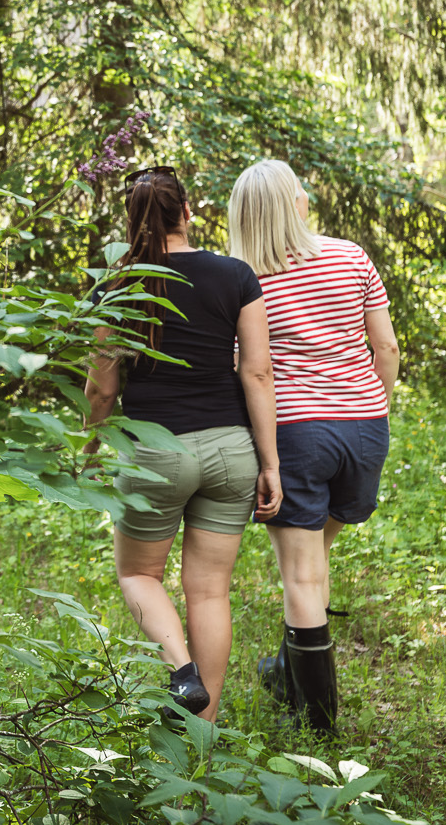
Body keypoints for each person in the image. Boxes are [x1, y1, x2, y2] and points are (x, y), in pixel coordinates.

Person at [85, 168, 283, 723]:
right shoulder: (235, 276)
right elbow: (258, 373)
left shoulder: (116, 286)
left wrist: (88, 450)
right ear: (188, 211)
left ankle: (180, 671)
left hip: (155, 451)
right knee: (211, 592)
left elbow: (102, 387)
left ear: (133, 220)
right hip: (230, 451)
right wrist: (270, 463)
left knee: (137, 575)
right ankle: (203, 734)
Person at [226, 159, 400, 734]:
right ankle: (285, 670)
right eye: (299, 188)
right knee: (316, 556)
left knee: (300, 574)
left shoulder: (241, 277)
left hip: (296, 433)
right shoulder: (351, 255)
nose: (307, 193)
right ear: (290, 202)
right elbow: (387, 349)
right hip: (365, 425)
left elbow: (247, 369)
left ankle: (318, 725)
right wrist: (377, 415)